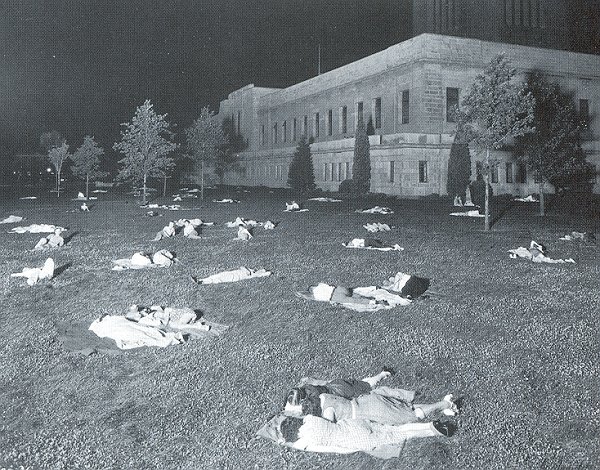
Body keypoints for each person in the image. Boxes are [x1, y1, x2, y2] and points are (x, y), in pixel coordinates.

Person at [278, 415, 456, 451]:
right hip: (354, 425)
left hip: (354, 438)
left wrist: (283, 442)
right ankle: (430, 424)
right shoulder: (309, 418)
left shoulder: (306, 439)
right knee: (394, 429)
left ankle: (434, 431)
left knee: (400, 436)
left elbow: (296, 445)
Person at [284, 369, 393, 415]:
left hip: (340, 391)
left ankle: (383, 374)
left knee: (367, 387)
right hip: (335, 384)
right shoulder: (306, 387)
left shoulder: (313, 396)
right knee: (360, 384)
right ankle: (376, 376)